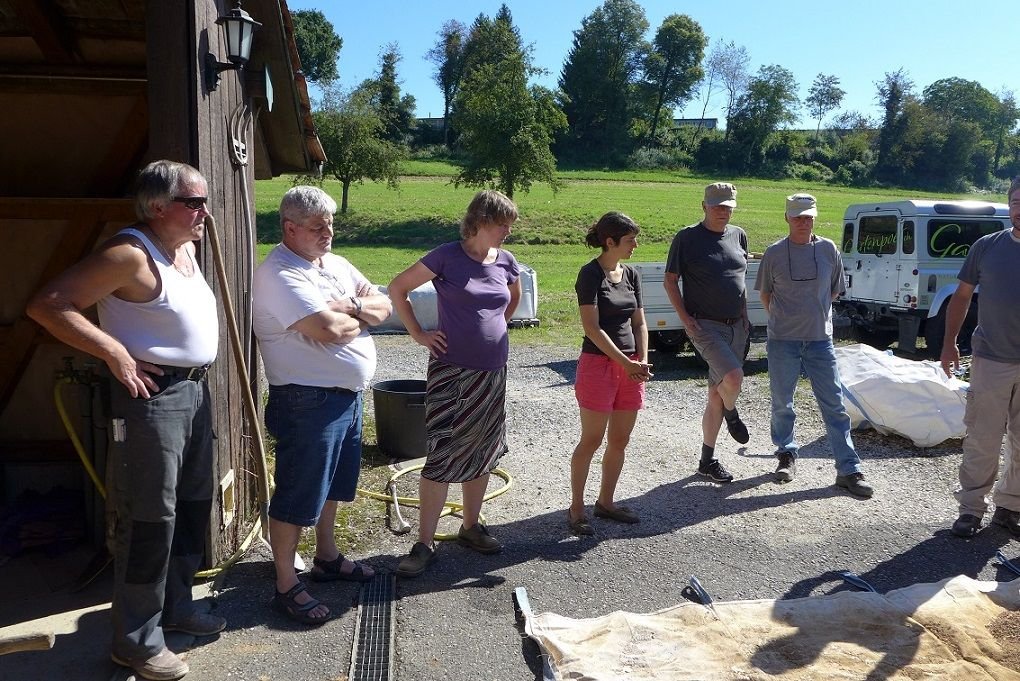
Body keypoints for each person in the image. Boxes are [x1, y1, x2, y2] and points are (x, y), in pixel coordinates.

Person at [27, 160, 222, 681]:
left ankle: (176, 605)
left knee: (191, 505)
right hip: (153, 400)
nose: (205, 211)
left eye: (204, 201)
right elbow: (49, 305)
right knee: (148, 520)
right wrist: (115, 353)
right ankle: (135, 643)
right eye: (194, 202)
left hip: (197, 391)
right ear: (158, 207)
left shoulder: (186, 249)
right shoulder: (129, 254)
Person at [252, 186, 391, 623]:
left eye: (330, 223)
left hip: (345, 396)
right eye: (317, 226)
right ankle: (285, 584)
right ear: (289, 228)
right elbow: (328, 329)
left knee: (335, 484)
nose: (328, 232)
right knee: (298, 492)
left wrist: (351, 303)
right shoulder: (279, 273)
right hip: (306, 400)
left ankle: (326, 558)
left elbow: (385, 305)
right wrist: (355, 315)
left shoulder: (334, 264)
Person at [388, 190, 522, 577]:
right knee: (444, 451)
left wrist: (498, 325)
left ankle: (470, 527)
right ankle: (424, 544)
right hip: (452, 372)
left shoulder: (506, 261)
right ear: (480, 221)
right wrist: (418, 333)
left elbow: (512, 298)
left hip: (493, 372)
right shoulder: (447, 255)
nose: (507, 232)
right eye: (503, 224)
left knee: (483, 448)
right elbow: (399, 288)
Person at [754, 194, 874, 498]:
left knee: (834, 404)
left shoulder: (828, 249)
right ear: (787, 218)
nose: (803, 221)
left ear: (815, 217)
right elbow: (765, 296)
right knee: (783, 402)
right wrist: (788, 320)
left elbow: (834, 292)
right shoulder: (774, 253)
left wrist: (812, 318)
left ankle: (848, 469)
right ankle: (786, 454)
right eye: (798, 216)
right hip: (783, 340)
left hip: (820, 341)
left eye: (808, 216)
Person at [943, 177, 1020, 538]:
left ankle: (1010, 508)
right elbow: (961, 297)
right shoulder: (987, 247)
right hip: (991, 359)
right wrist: (949, 343)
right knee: (982, 438)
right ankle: (971, 509)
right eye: (1017, 201)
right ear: (1010, 205)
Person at [568, 213, 652, 535]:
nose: (635, 245)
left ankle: (606, 502)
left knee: (620, 439)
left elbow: (639, 322)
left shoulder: (632, 274)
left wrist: (640, 361)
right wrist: (624, 362)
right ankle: (576, 509)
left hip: (631, 366)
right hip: (599, 366)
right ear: (610, 242)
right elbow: (592, 328)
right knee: (591, 439)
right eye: (630, 240)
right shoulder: (590, 274)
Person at [663, 182, 750, 484]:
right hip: (705, 325)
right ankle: (732, 414)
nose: (723, 212)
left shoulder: (739, 235)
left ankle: (706, 461)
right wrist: (684, 318)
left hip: (736, 325)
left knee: (715, 394)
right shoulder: (687, 238)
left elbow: (740, 279)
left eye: (728, 207)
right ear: (704, 206)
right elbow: (670, 280)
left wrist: (746, 317)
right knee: (734, 378)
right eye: (717, 206)